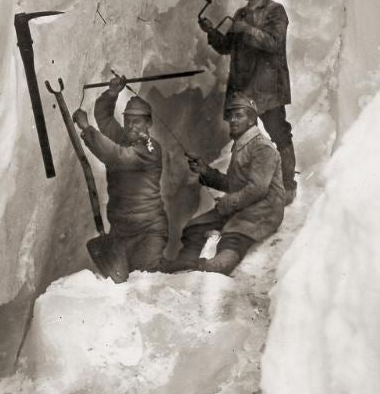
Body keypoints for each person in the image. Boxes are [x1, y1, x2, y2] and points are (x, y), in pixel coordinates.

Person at [199, 0, 297, 203]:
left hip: (267, 90)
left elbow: (274, 43)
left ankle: (287, 187)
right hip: (243, 90)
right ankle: (242, 189)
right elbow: (227, 48)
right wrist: (212, 32)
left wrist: (247, 30)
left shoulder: (276, 11)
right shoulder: (241, 14)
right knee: (241, 139)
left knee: (279, 134)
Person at [163, 93, 285, 276]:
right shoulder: (243, 144)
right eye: (231, 116)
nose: (233, 120)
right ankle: (184, 265)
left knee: (233, 237)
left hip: (262, 211)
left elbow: (258, 188)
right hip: (243, 205)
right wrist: (206, 172)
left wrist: (228, 203)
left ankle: (213, 267)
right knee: (194, 227)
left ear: (252, 119)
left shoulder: (262, 147)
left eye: (239, 116)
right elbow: (234, 183)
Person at [72, 75, 168, 283]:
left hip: (148, 232)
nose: (132, 126)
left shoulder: (150, 149)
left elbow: (116, 156)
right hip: (121, 232)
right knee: (119, 283)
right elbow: (104, 118)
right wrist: (112, 92)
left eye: (138, 121)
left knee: (145, 280)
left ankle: (197, 267)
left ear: (149, 122)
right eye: (128, 120)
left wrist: (87, 129)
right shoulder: (125, 138)